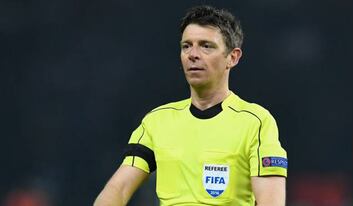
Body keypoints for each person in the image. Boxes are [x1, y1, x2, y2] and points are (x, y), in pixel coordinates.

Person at [94, 5, 287, 206]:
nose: (192, 54)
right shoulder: (157, 121)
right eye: (186, 46)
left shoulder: (255, 122)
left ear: (233, 57)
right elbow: (118, 188)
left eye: (206, 46)